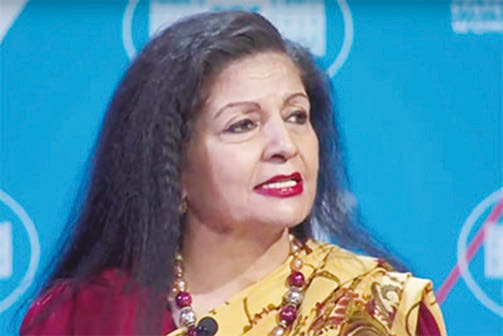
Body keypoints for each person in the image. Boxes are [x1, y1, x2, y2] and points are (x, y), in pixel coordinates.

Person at [19, 11, 446, 336]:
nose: (286, 145)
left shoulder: (375, 307)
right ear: (175, 168)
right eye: (243, 125)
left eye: (297, 116)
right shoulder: (84, 316)